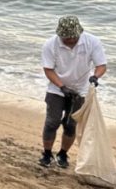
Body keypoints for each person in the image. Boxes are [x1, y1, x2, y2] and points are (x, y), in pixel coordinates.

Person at [38, 16, 107, 168]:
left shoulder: (92, 42)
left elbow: (101, 65)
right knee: (52, 122)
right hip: (56, 89)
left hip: (79, 91)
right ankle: (47, 154)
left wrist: (95, 77)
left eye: (72, 37)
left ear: (79, 32)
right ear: (59, 34)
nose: (69, 40)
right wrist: (62, 87)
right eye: (65, 37)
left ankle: (63, 154)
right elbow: (48, 70)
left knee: (70, 125)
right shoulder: (50, 44)